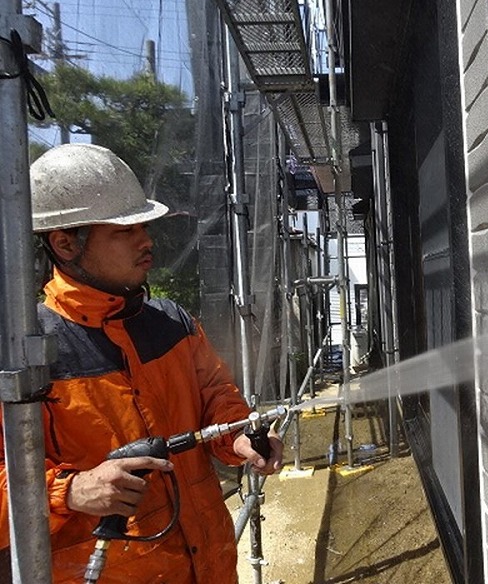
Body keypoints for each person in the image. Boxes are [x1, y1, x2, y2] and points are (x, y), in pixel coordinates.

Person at [0, 143, 283, 583]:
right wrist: (72, 490)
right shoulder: (24, 356)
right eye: (124, 231)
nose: (146, 240)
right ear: (64, 243)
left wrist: (240, 435)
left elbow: (217, 399)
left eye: (144, 226)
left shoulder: (172, 323)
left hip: (209, 565)